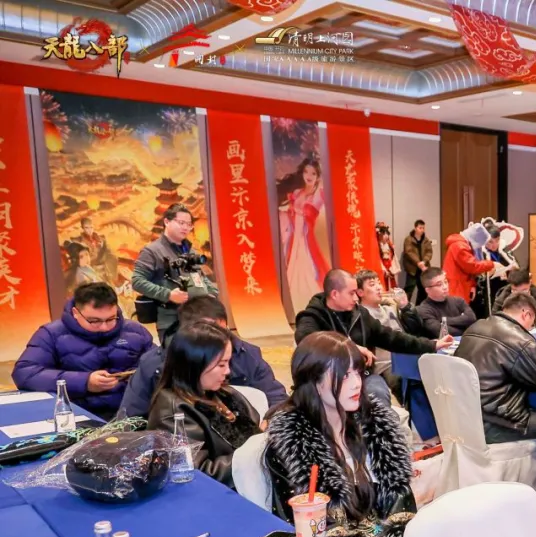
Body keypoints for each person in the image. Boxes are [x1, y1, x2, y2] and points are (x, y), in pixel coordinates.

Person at [263, 331, 415, 537]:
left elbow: (401, 505)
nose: (357, 383)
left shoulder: (374, 426)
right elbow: (311, 531)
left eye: (359, 372)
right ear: (313, 378)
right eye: (344, 375)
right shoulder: (291, 446)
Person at [295, 269, 451, 407]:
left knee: (378, 395)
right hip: (326, 379)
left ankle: (379, 431)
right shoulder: (312, 316)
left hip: (362, 375)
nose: (356, 298)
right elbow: (306, 341)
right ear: (335, 294)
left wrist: (432, 345)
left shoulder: (359, 314)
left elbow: (391, 338)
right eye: (351, 293)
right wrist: (350, 347)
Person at [119, 296, 287, 419]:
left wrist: (270, 421)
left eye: (223, 331)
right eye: (209, 335)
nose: (220, 340)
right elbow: (131, 417)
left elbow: (276, 397)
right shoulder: (155, 363)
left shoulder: (246, 355)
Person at [455, 292, 536, 471]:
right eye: (532, 323)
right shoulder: (518, 339)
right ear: (526, 314)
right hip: (499, 422)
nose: (530, 329)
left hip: (466, 414)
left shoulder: (475, 327)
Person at [14, 282, 153, 420]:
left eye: (111, 319)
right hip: (78, 415)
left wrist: (136, 376)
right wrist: (85, 382)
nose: (104, 327)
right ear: (76, 313)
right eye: (94, 321)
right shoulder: (51, 334)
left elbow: (158, 365)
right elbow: (25, 373)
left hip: (132, 413)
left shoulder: (135, 331)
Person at [147, 322, 261, 488]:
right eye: (221, 364)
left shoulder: (222, 393)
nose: (228, 371)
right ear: (195, 364)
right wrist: (257, 456)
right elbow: (196, 473)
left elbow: (255, 430)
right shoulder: (173, 412)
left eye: (228, 362)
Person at [133, 203, 218, 342]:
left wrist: (211, 293)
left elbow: (200, 277)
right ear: (167, 221)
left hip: (200, 318)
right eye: (181, 223)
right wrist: (169, 295)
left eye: (189, 224)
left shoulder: (190, 250)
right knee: (177, 356)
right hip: (173, 321)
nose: (186, 228)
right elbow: (137, 281)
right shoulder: (152, 251)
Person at [355, 269, 426, 404]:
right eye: (372, 284)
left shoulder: (390, 309)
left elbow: (415, 329)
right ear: (360, 292)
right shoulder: (361, 316)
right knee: (412, 382)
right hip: (387, 365)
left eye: (379, 283)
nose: (379, 287)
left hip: (408, 357)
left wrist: (405, 307)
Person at [278, 158, 329, 317]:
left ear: (318, 177)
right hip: (293, 237)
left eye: (313, 173)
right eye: (306, 172)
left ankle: (311, 306)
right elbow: (288, 212)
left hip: (306, 239)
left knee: (309, 269)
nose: (309, 176)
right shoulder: (297, 193)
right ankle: (292, 306)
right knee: (291, 268)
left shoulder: (320, 195)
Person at [415, 267, 478, 338]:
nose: (445, 287)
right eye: (439, 284)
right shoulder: (423, 310)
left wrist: (444, 320)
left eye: (445, 282)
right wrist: (464, 326)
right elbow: (442, 332)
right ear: (428, 290)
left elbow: (472, 318)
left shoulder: (458, 301)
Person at [444, 227, 496, 302]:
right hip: (456, 288)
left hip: (458, 285)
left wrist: (472, 285)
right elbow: (472, 266)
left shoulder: (460, 244)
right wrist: (491, 264)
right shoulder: (460, 247)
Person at [74, 216, 118, 286]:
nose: (89, 230)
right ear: (82, 228)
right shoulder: (78, 241)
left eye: (91, 227)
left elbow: (109, 252)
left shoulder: (101, 239)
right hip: (90, 269)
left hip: (105, 267)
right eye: (86, 228)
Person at [402, 219, 433, 305]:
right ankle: (405, 307)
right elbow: (409, 252)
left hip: (423, 268)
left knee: (423, 289)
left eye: (423, 228)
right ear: (415, 228)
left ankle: (419, 308)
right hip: (412, 269)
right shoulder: (408, 239)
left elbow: (429, 252)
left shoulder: (426, 240)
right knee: (409, 289)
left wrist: (424, 261)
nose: (422, 230)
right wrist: (418, 262)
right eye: (420, 228)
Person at [376, 222, 399, 290]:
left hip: (390, 270)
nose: (386, 236)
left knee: (392, 288)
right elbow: (378, 260)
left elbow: (393, 258)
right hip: (382, 270)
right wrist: (384, 271)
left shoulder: (389, 246)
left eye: (387, 234)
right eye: (383, 234)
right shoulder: (377, 246)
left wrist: (392, 269)